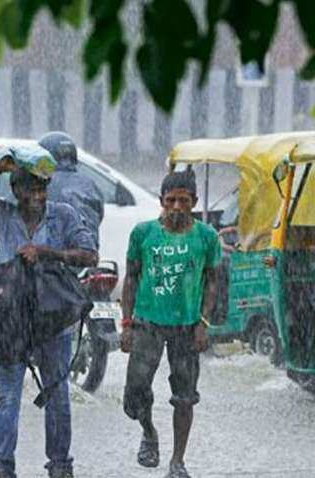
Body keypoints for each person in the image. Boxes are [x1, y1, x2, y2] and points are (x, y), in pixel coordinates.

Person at [0, 159, 98, 478]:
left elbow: (89, 255)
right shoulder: (1, 213)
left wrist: (47, 253)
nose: (38, 194)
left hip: (52, 317)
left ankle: (60, 464)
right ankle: (2, 465)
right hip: (10, 319)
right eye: (30, 188)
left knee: (57, 392)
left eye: (42, 187)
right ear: (15, 190)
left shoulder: (65, 215)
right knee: (8, 393)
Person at [120, 170, 220, 478]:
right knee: (135, 394)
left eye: (184, 201)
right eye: (170, 200)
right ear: (162, 201)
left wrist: (203, 322)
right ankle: (149, 432)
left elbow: (212, 281)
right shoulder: (143, 233)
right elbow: (132, 278)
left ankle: (178, 461)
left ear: (194, 202)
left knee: (185, 396)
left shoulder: (207, 237)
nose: (177, 207)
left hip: (187, 327)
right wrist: (126, 323)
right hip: (148, 323)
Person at [39, 131, 104, 246]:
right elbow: (98, 214)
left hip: (52, 257)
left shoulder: (40, 183)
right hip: (87, 254)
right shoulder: (89, 184)